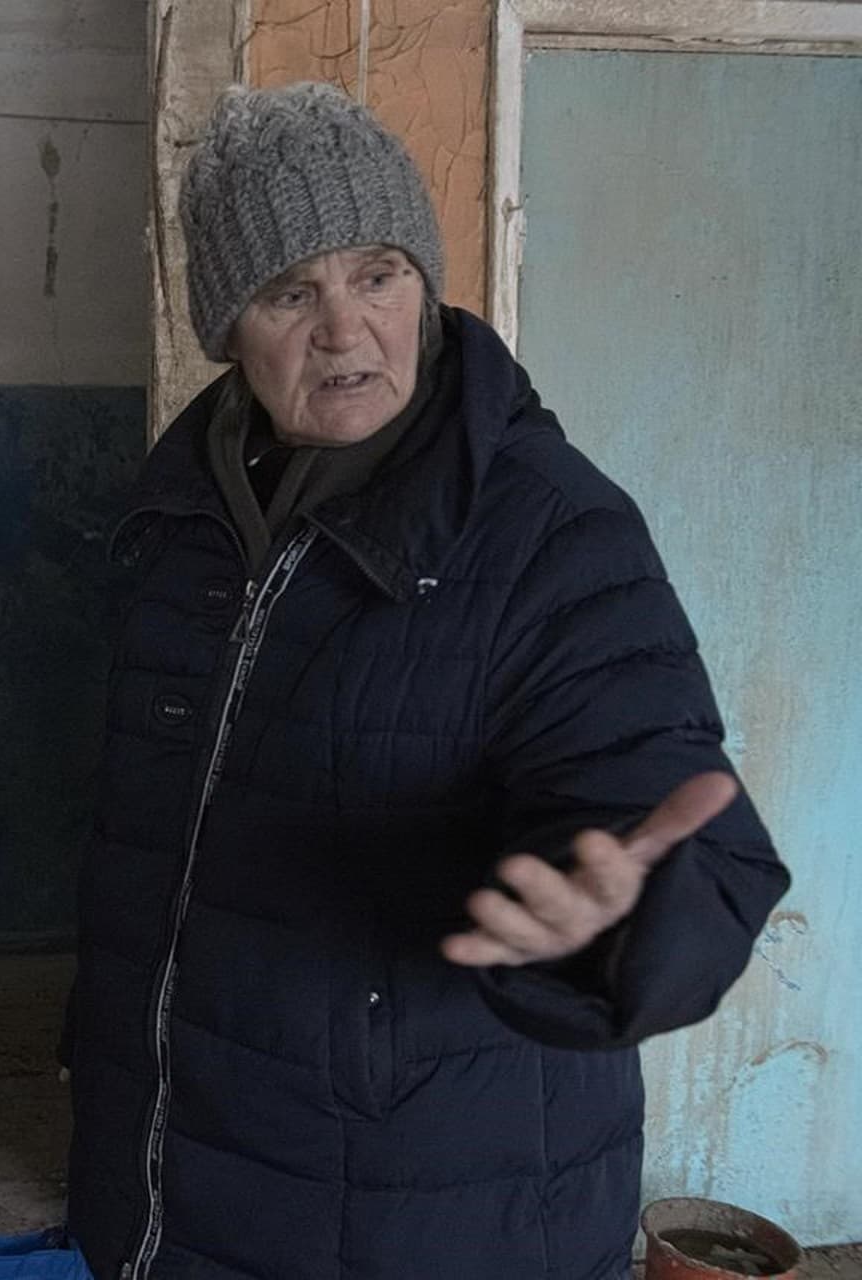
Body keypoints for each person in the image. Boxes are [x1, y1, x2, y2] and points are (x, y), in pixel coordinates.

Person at [60, 83, 790, 1278]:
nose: (345, 329)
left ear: (428, 286)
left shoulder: (550, 532)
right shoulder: (176, 523)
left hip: (436, 1210)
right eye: (292, 290)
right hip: (174, 1192)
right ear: (225, 326)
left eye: (381, 273)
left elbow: (653, 803)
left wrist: (616, 922)